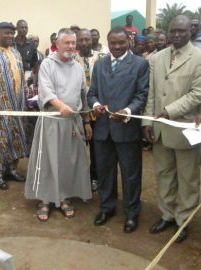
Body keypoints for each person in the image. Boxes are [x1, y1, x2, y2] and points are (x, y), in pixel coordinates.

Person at [142, 15, 201, 243]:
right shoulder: (157, 58)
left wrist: (169, 111)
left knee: (188, 179)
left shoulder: (197, 57)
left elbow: (197, 94)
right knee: (163, 174)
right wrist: (147, 121)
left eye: (181, 31)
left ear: (191, 32)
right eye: (173, 30)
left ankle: (182, 221)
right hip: (159, 129)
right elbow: (152, 93)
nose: (176, 34)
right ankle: (166, 215)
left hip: (186, 128)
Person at [25, 28, 92, 221]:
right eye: (67, 43)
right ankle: (45, 199)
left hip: (72, 123)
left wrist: (86, 121)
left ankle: (63, 196)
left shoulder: (78, 67)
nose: (71, 46)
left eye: (73, 43)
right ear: (58, 44)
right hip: (51, 122)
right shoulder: (47, 64)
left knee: (66, 161)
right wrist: (61, 106)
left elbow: (83, 96)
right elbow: (46, 91)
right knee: (48, 160)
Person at [87, 26, 149, 233]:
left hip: (127, 130)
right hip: (103, 130)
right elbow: (92, 93)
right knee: (105, 171)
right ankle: (107, 208)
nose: (117, 46)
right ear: (108, 42)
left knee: (130, 174)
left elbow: (142, 95)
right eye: (112, 43)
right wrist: (96, 106)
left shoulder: (140, 64)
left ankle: (132, 213)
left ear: (129, 42)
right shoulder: (100, 64)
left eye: (121, 42)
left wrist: (128, 111)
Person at [0, 22, 29, 190]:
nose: (10, 36)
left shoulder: (16, 53)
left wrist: (26, 98)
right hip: (0, 105)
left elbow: (21, 78)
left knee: (15, 137)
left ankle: (11, 169)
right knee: (0, 139)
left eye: (12, 33)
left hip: (18, 104)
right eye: (6, 33)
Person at [74, 28, 106, 192]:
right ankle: (77, 178)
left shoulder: (102, 58)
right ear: (77, 41)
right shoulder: (71, 59)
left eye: (87, 39)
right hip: (76, 113)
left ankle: (95, 177)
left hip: (97, 113)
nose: (85, 43)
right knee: (76, 148)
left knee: (96, 148)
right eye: (81, 40)